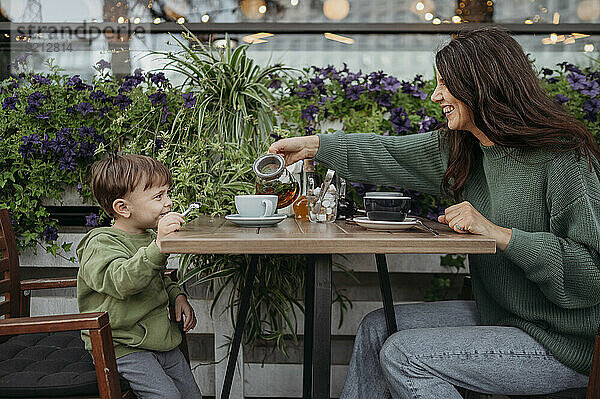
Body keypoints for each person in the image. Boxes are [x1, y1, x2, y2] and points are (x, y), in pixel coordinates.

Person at [269, 27, 600, 398]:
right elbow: (390, 154)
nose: (435, 95)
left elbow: (594, 274)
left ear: (482, 85)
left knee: (404, 355)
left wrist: (501, 235)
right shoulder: (465, 148)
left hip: (565, 345)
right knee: (379, 328)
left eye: (446, 84)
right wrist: (314, 145)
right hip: (502, 317)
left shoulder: (563, 158)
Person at [77, 154, 202, 399]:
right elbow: (123, 281)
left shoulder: (146, 237)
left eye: (167, 193)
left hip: (160, 340)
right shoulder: (100, 243)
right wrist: (158, 247)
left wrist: (177, 296)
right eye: (158, 196)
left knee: (192, 396)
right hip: (121, 344)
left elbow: (158, 277)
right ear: (123, 208)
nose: (168, 202)